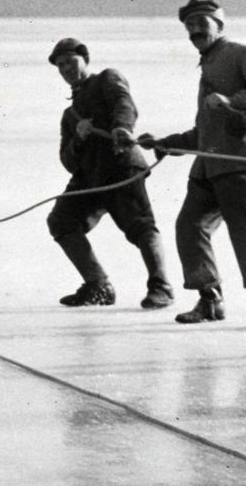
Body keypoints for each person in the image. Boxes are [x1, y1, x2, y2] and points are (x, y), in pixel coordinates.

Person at [116, 0, 246, 331]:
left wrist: (234, 101)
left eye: (201, 23)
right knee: (190, 227)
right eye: (190, 25)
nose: (194, 31)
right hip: (208, 167)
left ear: (219, 25)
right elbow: (204, 132)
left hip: (239, 162)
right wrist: (164, 143)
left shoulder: (238, 53)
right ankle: (210, 300)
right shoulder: (208, 64)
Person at [44, 37, 173, 309]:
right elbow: (66, 160)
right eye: (60, 65)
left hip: (121, 166)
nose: (66, 68)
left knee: (140, 226)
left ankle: (161, 287)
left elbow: (124, 103)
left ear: (85, 59)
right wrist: (78, 139)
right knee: (61, 220)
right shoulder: (70, 115)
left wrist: (122, 128)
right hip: (90, 178)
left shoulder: (107, 78)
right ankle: (98, 285)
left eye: (71, 61)